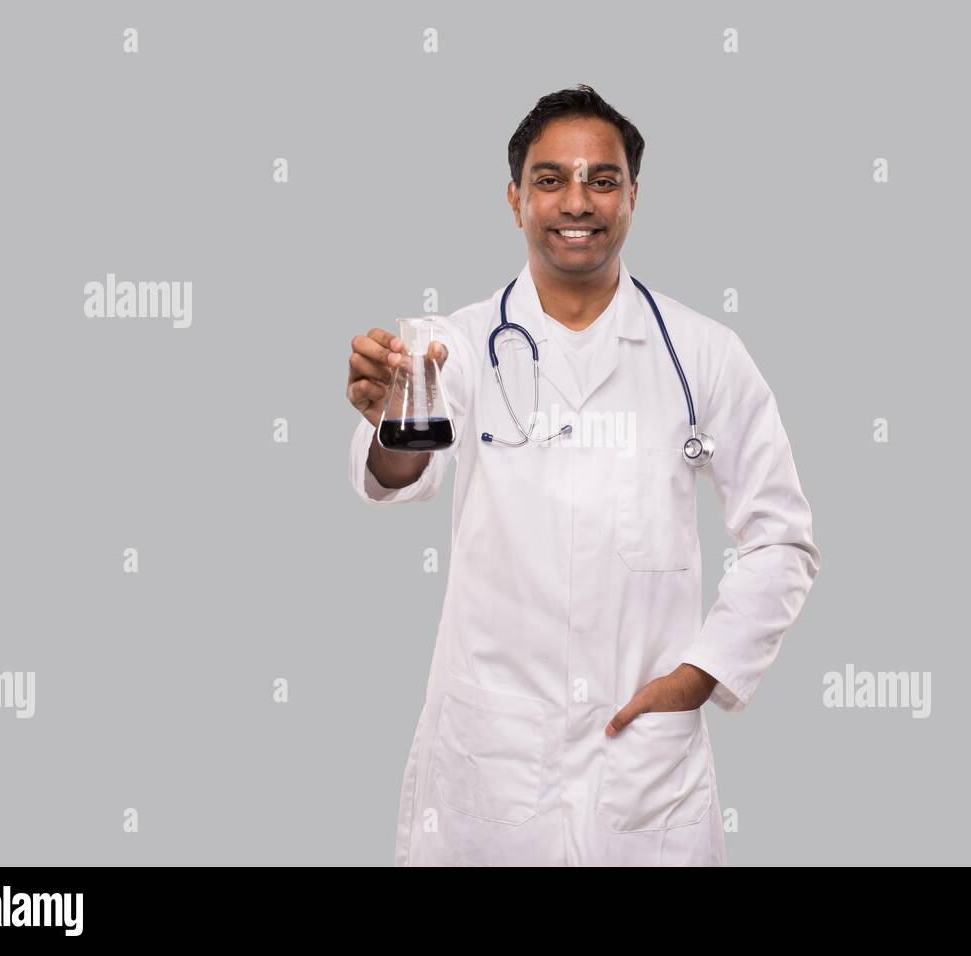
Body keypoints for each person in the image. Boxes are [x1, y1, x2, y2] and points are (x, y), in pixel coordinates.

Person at [345, 85, 821, 866]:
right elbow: (402, 468)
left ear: (633, 197)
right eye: (550, 179)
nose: (578, 201)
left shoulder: (703, 354)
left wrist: (701, 674)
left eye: (603, 180)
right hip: (492, 763)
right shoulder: (456, 344)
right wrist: (389, 414)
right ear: (514, 199)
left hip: (641, 766)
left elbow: (782, 540)